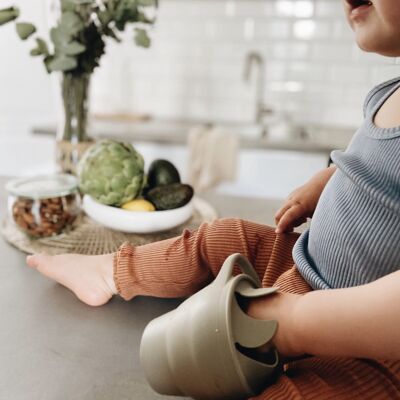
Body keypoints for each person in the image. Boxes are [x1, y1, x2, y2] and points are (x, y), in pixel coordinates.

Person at [26, 0, 400, 398]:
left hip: (366, 347)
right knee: (222, 236)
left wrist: (292, 321)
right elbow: (376, 166)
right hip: (303, 267)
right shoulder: (388, 94)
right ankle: (109, 272)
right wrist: (326, 181)